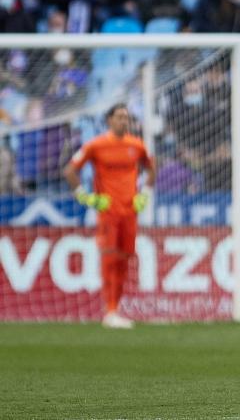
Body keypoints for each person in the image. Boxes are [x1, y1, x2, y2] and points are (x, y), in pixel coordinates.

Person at [63, 103, 156, 329]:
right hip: (108, 212)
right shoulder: (96, 145)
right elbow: (70, 170)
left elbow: (152, 168)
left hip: (129, 212)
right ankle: (110, 310)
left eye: (126, 117)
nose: (124, 121)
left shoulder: (137, 145)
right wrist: (86, 198)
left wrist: (144, 193)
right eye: (119, 117)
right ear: (109, 120)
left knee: (124, 259)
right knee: (109, 258)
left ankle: (116, 310)